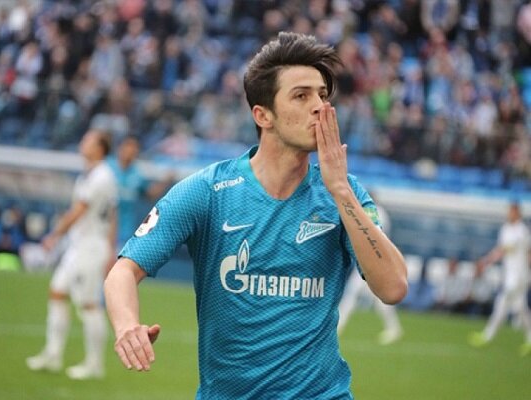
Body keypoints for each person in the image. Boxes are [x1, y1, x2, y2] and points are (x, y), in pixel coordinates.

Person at [104, 32, 408, 399]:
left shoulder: (345, 192)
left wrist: (341, 191)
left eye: (323, 95)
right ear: (263, 115)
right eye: (301, 96)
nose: (320, 107)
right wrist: (126, 326)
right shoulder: (208, 191)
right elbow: (122, 271)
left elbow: (393, 287)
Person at [26, 129, 117, 380]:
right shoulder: (90, 174)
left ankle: (94, 364)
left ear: (100, 148)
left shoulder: (101, 176)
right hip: (79, 245)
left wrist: (54, 235)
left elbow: (79, 210)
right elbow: (113, 213)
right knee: (57, 292)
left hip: (89, 247)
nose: (83, 142)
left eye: (88, 140)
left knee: (89, 304)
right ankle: (53, 354)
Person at [337, 194, 404, 345]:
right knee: (361, 296)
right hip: (369, 260)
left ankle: (338, 328)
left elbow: (371, 236)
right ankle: (393, 328)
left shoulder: (375, 212)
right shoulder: (378, 212)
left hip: (372, 261)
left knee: (354, 294)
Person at [468, 202, 531, 356]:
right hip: (509, 274)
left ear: (517, 213)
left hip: (520, 275)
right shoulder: (505, 229)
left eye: (512, 211)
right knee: (519, 307)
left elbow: (507, 249)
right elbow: (502, 249)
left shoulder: (522, 231)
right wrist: (487, 261)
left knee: (502, 301)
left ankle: (488, 335)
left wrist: (486, 261)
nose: (509, 214)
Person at [107, 135, 173, 251]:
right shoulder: (107, 168)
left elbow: (149, 194)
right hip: (103, 229)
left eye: (134, 148)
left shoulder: (137, 175)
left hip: (124, 232)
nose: (131, 151)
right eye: (128, 146)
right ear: (120, 148)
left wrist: (166, 181)